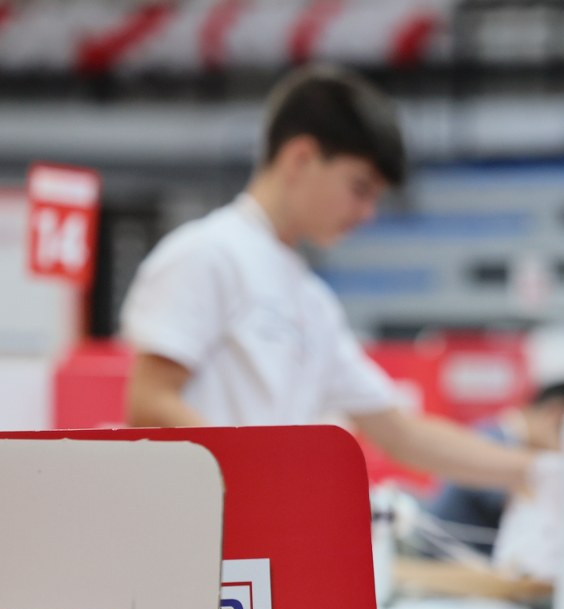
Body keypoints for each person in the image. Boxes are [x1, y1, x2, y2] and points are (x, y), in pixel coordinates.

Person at [120, 65, 536, 491]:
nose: (367, 213)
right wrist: (257, 481)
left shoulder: (312, 301)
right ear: (301, 158)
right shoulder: (207, 254)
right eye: (360, 188)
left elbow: (400, 432)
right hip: (205, 531)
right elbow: (150, 403)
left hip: (261, 533)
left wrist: (532, 471)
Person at [423, 381, 564, 555]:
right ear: (556, 414)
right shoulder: (493, 440)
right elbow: (529, 504)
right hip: (448, 565)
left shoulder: (497, 435)